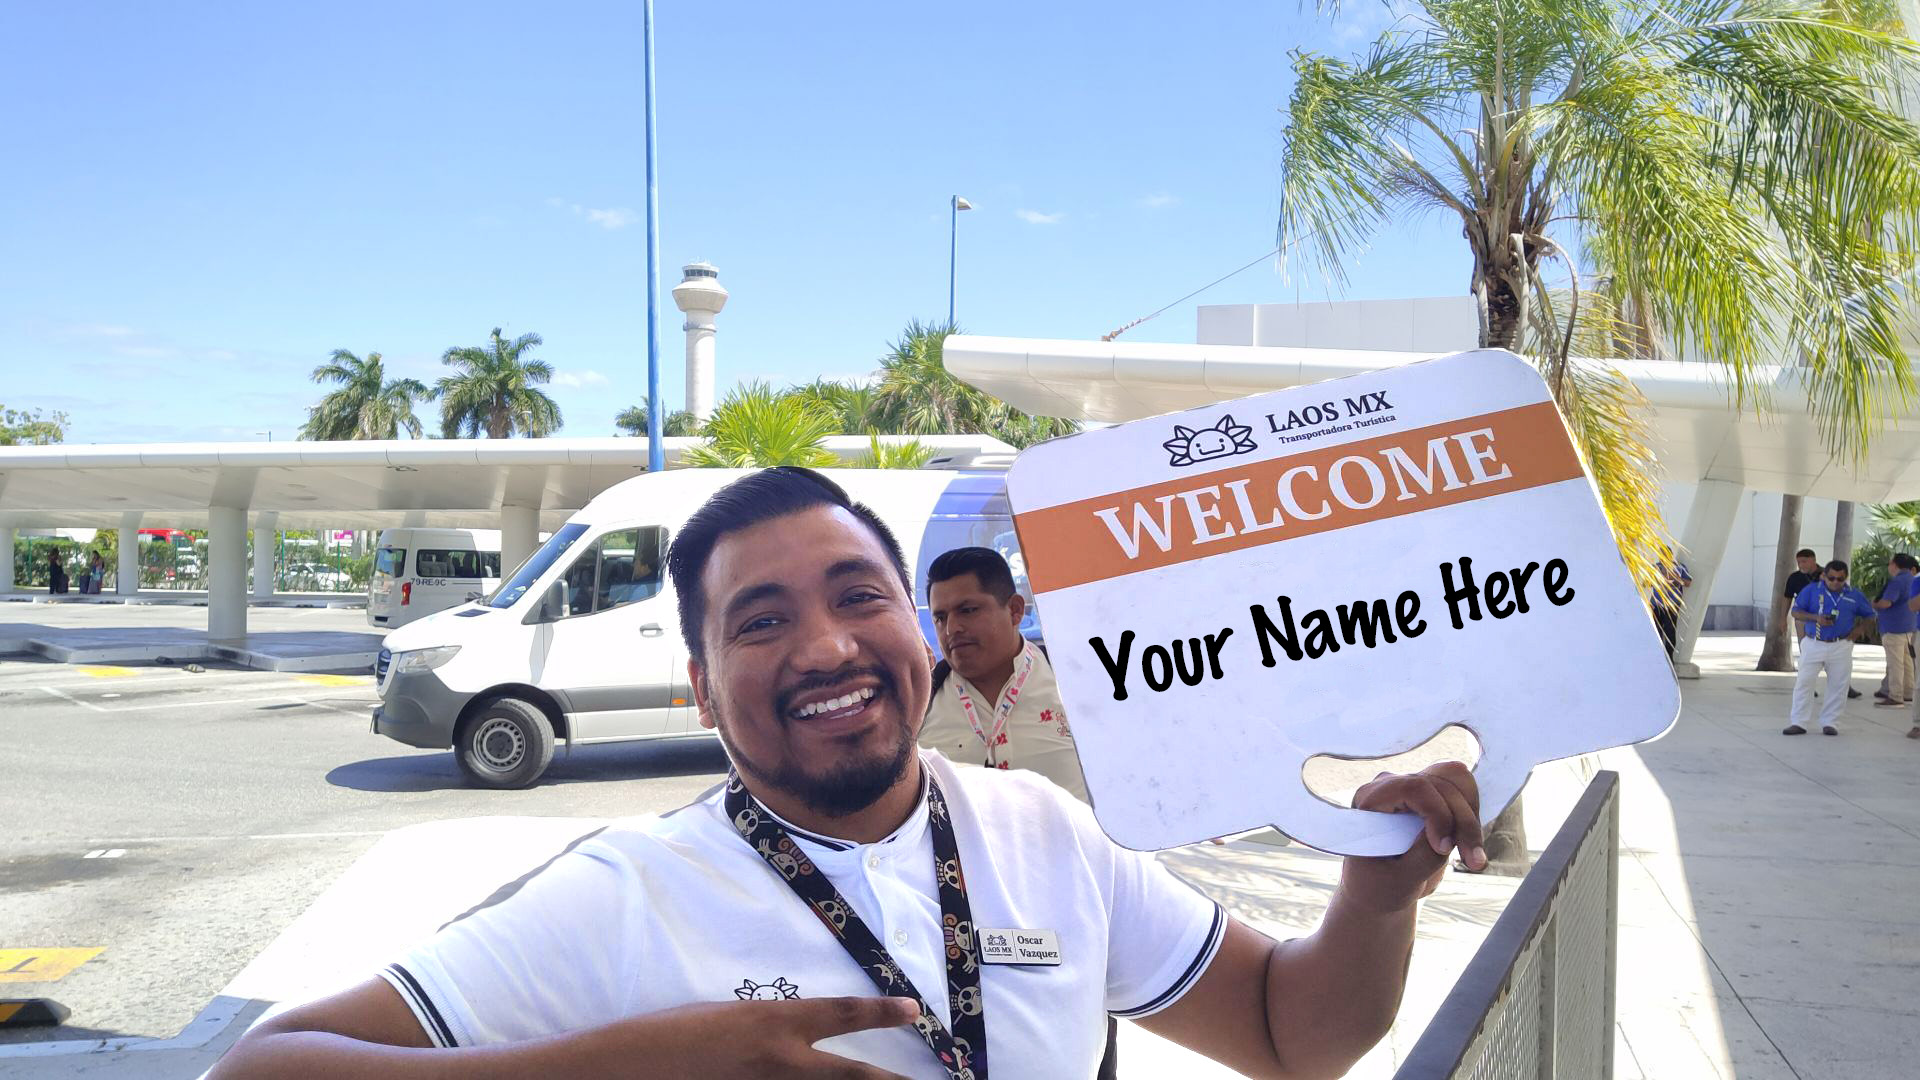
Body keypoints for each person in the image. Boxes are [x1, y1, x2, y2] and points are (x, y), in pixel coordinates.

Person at [210, 466, 1487, 1080]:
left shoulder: (1040, 831)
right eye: (757, 622)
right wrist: (636, 1063)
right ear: (702, 689)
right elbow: (257, 1072)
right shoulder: (624, 894)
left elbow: (1292, 1032)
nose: (824, 644)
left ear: (915, 634)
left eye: (857, 595)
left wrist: (1379, 887)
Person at [919, 546, 1089, 802]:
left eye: (968, 610)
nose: (952, 628)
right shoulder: (919, 705)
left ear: (1015, 610)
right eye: (940, 618)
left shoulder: (1079, 682)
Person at [1786, 560, 1876, 736]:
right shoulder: (1811, 590)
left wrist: (1858, 631)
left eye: (1840, 579)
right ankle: (1798, 722)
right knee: (1804, 682)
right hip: (1814, 642)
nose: (1835, 582)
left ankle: (1831, 722)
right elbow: (1796, 611)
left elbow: (1870, 616)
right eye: (1832, 578)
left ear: (1845, 578)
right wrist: (1815, 618)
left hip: (1840, 645)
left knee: (1838, 685)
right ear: (1823, 576)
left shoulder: (1853, 595)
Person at [1872, 553, 1917, 709]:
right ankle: (1908, 692)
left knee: (1895, 663)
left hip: (1893, 627)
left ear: (1895, 564)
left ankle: (1895, 696)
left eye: (1890, 563)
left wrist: (1875, 604)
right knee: (1907, 661)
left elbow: (1886, 603)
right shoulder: (1913, 579)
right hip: (1908, 626)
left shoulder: (1897, 581)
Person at [1649, 560, 1691, 660]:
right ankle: (1657, 658)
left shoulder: (1680, 567)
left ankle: (1669, 658)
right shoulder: (1655, 567)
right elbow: (1648, 582)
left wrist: (1675, 578)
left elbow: (1688, 582)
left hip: (1672, 605)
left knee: (1670, 631)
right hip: (1657, 604)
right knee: (1656, 631)